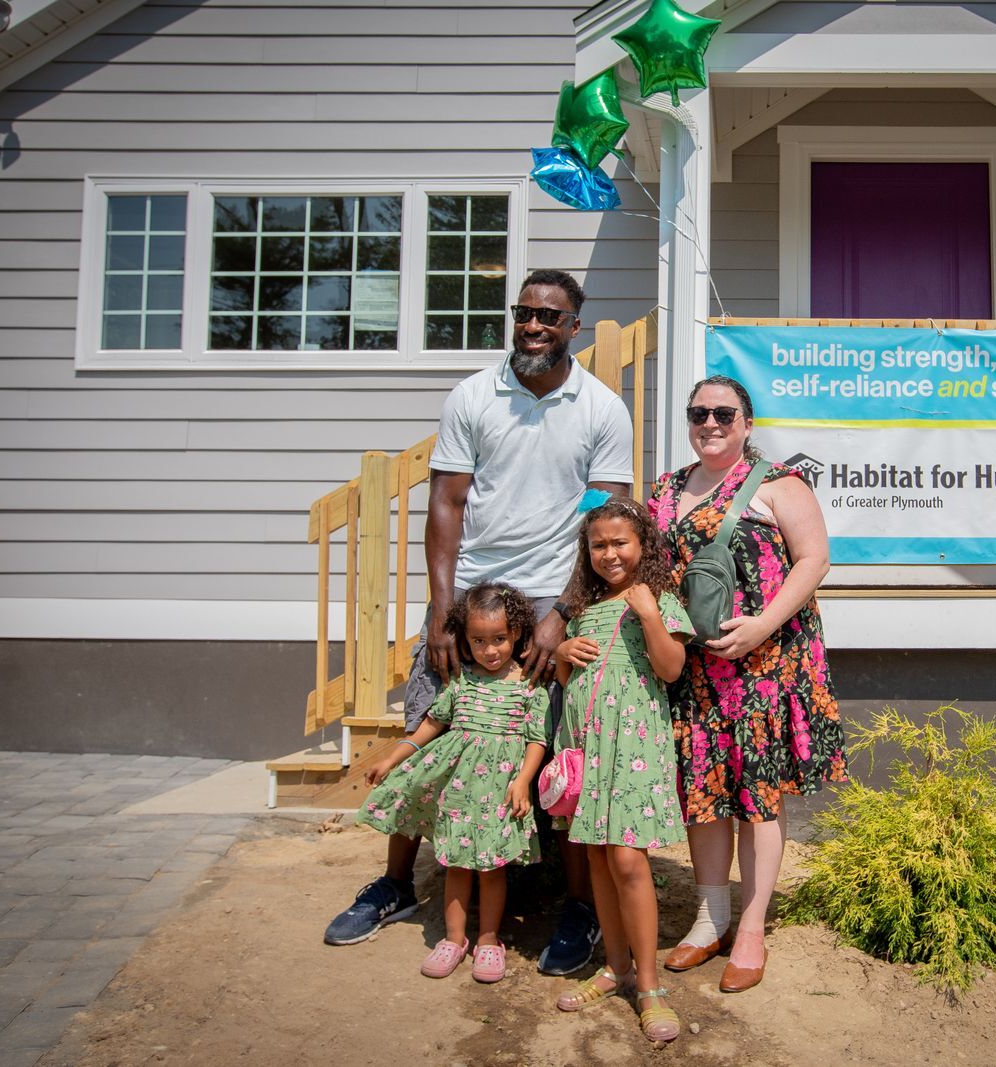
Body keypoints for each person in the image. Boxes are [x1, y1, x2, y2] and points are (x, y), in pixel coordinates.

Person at [323, 269, 631, 980]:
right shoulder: (472, 395)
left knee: (564, 764)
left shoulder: (601, 409)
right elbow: (447, 508)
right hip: (473, 608)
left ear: (573, 326)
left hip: (554, 609)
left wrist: (561, 613)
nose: (532, 326)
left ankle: (577, 909)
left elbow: (605, 525)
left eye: (548, 316)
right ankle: (398, 884)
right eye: (523, 313)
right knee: (426, 738)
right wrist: (441, 614)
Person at [648, 375, 848, 993]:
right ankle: (709, 921)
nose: (710, 423)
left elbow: (815, 559)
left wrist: (761, 625)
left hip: (764, 666)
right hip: (699, 669)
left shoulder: (778, 483)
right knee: (703, 791)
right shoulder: (665, 490)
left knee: (758, 796)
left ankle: (753, 927)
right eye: (698, 412)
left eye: (723, 413)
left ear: (747, 422)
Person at [551, 496, 693, 1043]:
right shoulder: (584, 611)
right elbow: (571, 683)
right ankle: (615, 969)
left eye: (620, 543)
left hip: (634, 745)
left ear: (643, 547)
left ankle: (650, 987)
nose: (609, 554)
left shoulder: (660, 599)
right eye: (598, 545)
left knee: (629, 861)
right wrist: (563, 652)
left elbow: (672, 668)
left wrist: (651, 615)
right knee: (596, 858)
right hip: (588, 745)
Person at [357, 583, 549, 982]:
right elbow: (432, 724)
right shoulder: (461, 682)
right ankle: (454, 938)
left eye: (499, 639)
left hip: (500, 792)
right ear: (464, 639)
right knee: (457, 867)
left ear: (516, 634)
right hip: (460, 794)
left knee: (493, 869)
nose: (490, 649)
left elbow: (536, 740)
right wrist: (392, 757)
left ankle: (490, 940)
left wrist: (523, 781)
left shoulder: (529, 687)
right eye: (478, 640)